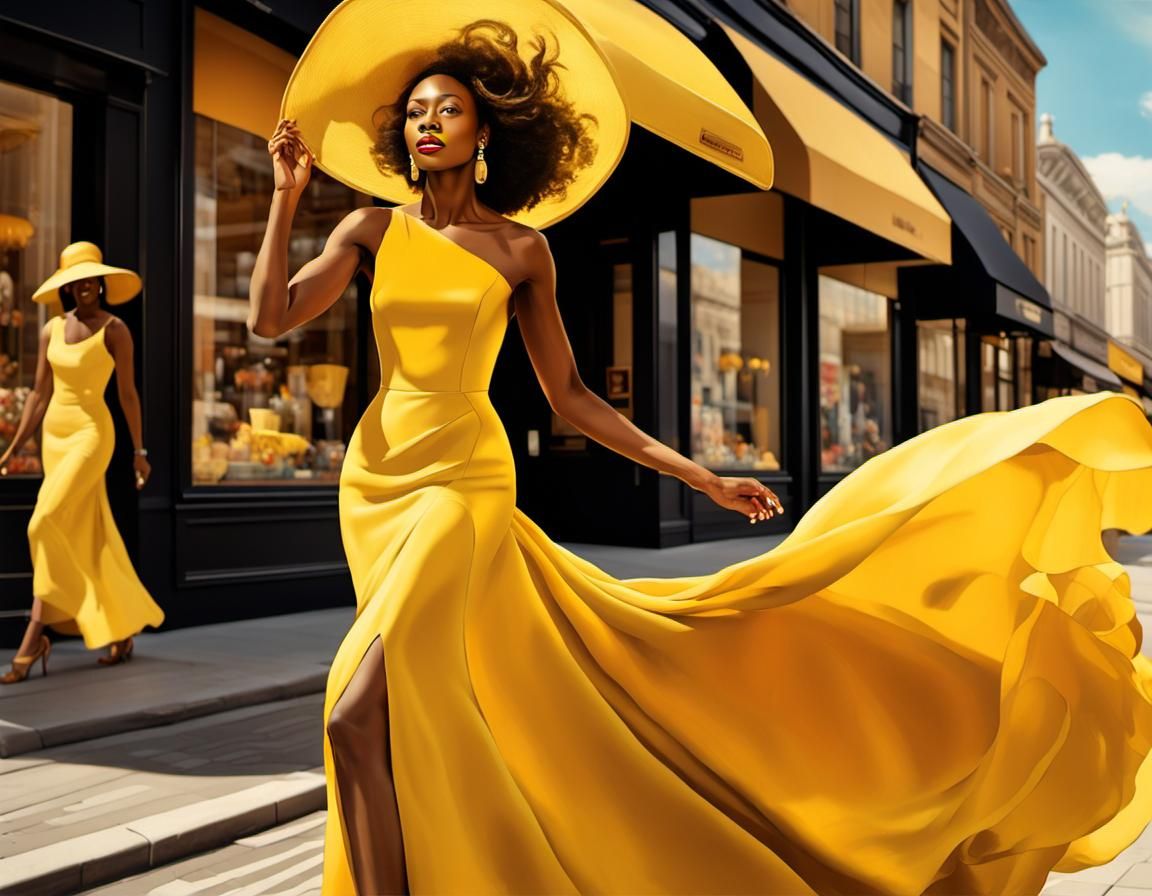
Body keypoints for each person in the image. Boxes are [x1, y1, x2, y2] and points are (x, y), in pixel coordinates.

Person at [255, 3, 1152, 894]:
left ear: (485, 130)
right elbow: (268, 318)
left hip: (462, 485)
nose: (427, 122)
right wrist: (288, 196)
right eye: (415, 111)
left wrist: (701, 476)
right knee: (401, 707)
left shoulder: (520, 250)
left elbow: (573, 398)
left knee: (353, 712)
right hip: (376, 478)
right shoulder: (367, 231)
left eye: (447, 108)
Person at [0, 242, 164, 683]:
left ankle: (35, 634)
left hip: (94, 434)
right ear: (67, 288)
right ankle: (120, 627)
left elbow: (128, 394)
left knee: (42, 522)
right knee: (92, 536)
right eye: (77, 282)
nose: (85, 287)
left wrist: (140, 450)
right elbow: (38, 393)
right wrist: (15, 447)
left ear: (102, 283)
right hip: (54, 435)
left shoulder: (115, 329)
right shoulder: (51, 328)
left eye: (91, 279)